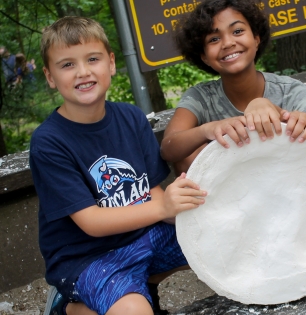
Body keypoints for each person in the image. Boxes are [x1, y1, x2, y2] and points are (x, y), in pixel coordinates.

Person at [30, 16, 207, 315]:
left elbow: (151, 192)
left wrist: (195, 214)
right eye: (67, 64)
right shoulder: (49, 142)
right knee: (134, 311)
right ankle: (71, 308)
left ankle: (134, 283)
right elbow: (92, 222)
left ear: (111, 63)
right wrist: (164, 210)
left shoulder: (131, 117)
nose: (83, 72)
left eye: (93, 59)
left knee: (221, 239)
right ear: (50, 77)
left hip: (144, 235)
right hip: (88, 258)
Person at [160, 0, 306, 174]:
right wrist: (210, 129)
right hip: (228, 195)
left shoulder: (292, 92)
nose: (228, 43)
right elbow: (168, 148)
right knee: (188, 155)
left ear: (256, 39)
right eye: (214, 39)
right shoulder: (201, 97)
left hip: (290, 183)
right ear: (204, 56)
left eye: (237, 31)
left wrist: (273, 110)